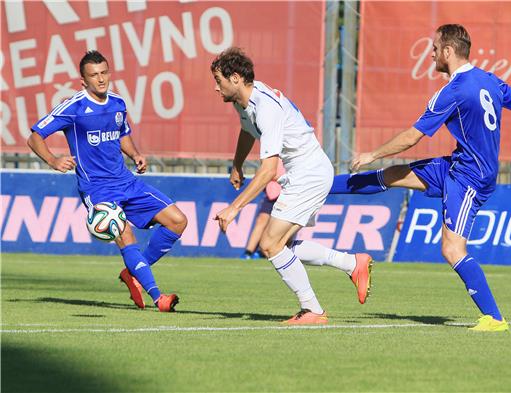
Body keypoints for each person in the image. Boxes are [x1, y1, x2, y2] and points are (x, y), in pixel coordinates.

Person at [330, 24, 511, 332]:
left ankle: (494, 319)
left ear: (448, 52)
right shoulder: (488, 80)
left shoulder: (454, 91)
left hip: (471, 176)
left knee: (452, 249)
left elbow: (412, 137)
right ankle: (323, 186)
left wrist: (372, 153)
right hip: (456, 165)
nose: (430, 54)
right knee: (392, 176)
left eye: (433, 49)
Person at [211, 47, 372, 325]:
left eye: (219, 80)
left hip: (308, 174)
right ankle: (352, 264)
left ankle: (313, 310)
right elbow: (247, 131)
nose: (216, 88)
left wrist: (234, 208)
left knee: (271, 244)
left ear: (235, 78)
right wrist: (237, 164)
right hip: (306, 173)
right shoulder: (245, 104)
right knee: (280, 244)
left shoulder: (266, 109)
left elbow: (268, 171)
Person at [27, 50, 188, 312]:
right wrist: (54, 161)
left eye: (104, 73)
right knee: (125, 233)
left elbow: (122, 134)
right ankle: (159, 298)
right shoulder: (74, 107)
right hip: (98, 189)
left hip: (127, 181)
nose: (100, 79)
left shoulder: (117, 103)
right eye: (94, 75)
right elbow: (35, 136)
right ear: (83, 80)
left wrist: (135, 154)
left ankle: (133, 271)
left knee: (178, 221)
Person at [241, 160, 284, 259]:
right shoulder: (273, 153)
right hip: (272, 192)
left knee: (277, 225)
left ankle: (263, 251)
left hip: (286, 193)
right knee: (261, 220)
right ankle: (248, 252)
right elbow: (266, 171)